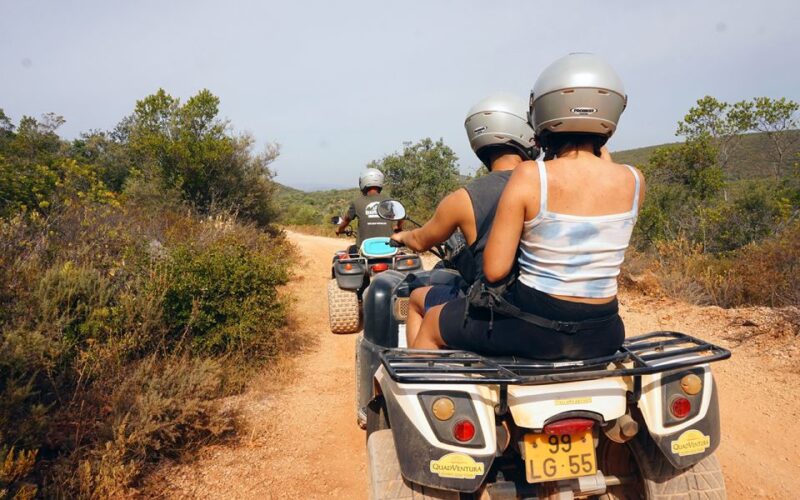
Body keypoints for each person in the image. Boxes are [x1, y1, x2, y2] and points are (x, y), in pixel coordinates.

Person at [414, 53, 646, 360]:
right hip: (605, 331)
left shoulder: (531, 176)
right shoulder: (634, 180)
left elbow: (495, 271)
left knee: (431, 322)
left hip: (537, 330)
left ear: (543, 112)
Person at [390, 94, 539, 345]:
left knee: (416, 299)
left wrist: (401, 235)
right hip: (539, 306)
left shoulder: (463, 198)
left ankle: (421, 370)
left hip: (493, 309)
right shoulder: (549, 183)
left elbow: (419, 241)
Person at [336, 168, 396, 251]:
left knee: (348, 250)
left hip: (364, 249)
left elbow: (346, 221)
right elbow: (400, 217)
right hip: (389, 248)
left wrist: (340, 230)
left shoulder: (357, 202)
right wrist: (399, 227)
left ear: (363, 183)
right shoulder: (390, 202)